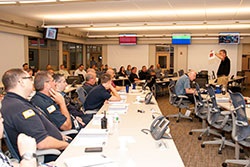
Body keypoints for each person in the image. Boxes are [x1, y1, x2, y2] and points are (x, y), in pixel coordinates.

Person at [1, 69, 68, 163]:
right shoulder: (19, 109)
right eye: (29, 78)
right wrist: (66, 145)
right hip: (49, 156)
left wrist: (58, 135)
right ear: (21, 82)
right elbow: (42, 143)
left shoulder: (14, 102)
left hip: (55, 145)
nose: (32, 81)